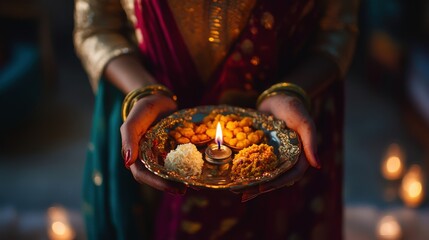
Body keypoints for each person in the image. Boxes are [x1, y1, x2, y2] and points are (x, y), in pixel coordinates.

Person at [74, 0, 358, 239]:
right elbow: (97, 27)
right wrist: (145, 92)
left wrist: (292, 90)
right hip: (152, 130)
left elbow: (336, 30)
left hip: (284, 133)